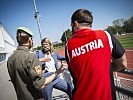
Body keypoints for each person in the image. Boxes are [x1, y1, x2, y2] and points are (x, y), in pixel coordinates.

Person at [65, 9, 127, 100]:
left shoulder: (68, 46)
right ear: (90, 24)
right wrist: (105, 68)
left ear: (75, 23)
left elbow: (76, 73)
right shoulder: (105, 35)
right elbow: (123, 64)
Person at [7, 27, 66, 100]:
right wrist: (57, 72)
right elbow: (40, 85)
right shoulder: (31, 57)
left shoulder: (10, 59)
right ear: (29, 40)